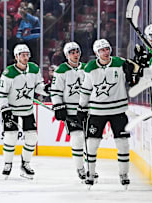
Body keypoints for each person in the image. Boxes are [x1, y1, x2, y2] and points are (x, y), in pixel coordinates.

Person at [77, 39, 138, 189]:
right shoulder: (90, 67)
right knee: (92, 144)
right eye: (102, 50)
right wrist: (81, 107)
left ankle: (124, 175)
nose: (105, 52)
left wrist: (135, 75)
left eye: (107, 49)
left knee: (123, 144)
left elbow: (136, 74)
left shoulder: (120, 63)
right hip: (97, 112)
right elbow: (86, 89)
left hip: (119, 111)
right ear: (96, 53)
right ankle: (90, 174)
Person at [0, 44, 49, 179]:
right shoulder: (9, 73)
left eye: (27, 54)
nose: (25, 57)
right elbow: (1, 94)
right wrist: (4, 108)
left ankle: (25, 164)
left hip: (27, 109)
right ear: (16, 57)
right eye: (22, 55)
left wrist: (46, 89)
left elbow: (38, 87)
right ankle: (7, 164)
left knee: (32, 137)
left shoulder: (34, 69)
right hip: (12, 110)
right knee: (11, 136)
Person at [50, 42, 93, 182]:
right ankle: (80, 168)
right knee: (78, 138)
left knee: (90, 140)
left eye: (77, 51)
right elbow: (55, 91)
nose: (75, 54)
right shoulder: (61, 70)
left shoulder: (87, 68)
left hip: (86, 109)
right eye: (72, 52)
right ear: (67, 55)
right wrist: (58, 106)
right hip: (70, 110)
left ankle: (90, 168)